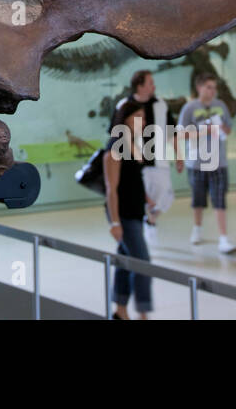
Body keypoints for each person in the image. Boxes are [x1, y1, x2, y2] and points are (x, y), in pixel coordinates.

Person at [112, 69, 178, 242]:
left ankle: (150, 220)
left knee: (166, 197)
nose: (154, 86)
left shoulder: (161, 105)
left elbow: (172, 132)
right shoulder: (124, 106)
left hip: (158, 162)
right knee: (140, 199)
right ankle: (142, 230)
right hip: (134, 166)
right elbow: (116, 134)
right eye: (150, 83)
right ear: (139, 86)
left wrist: (179, 156)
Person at [103, 99, 152, 319]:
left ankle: (120, 310)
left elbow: (133, 179)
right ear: (126, 119)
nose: (143, 122)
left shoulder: (132, 142)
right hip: (123, 215)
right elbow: (111, 188)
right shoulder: (116, 145)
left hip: (135, 210)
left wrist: (147, 199)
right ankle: (143, 312)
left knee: (125, 261)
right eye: (138, 117)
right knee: (142, 263)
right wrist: (114, 222)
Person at [178, 71, 236, 254]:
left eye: (214, 88)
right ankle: (197, 229)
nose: (212, 91)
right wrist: (203, 132)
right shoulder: (189, 108)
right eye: (209, 87)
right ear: (199, 88)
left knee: (219, 199)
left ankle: (224, 238)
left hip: (218, 162)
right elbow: (182, 133)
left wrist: (220, 128)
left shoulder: (221, 106)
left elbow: (228, 129)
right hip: (196, 162)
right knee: (198, 198)